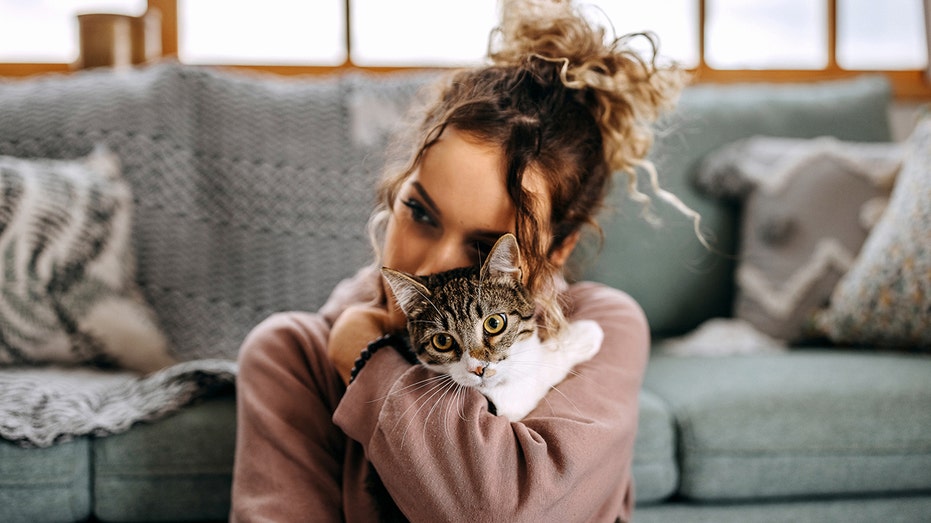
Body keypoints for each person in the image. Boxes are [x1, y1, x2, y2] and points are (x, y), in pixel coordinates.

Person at [231, 1, 692, 521]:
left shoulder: (602, 330)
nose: (430, 267)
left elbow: (501, 513)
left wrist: (365, 359)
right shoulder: (292, 357)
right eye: (420, 213)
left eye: (482, 247)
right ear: (395, 191)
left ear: (558, 250)